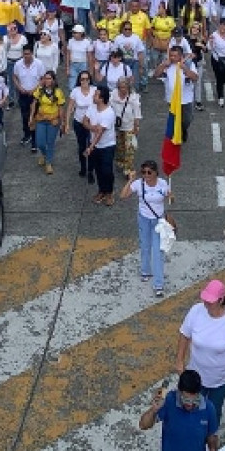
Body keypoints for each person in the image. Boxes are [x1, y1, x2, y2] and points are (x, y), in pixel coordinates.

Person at [176, 279, 225, 427]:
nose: (206, 303)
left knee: (214, 411)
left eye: (210, 300)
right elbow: (184, 334)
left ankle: (211, 437)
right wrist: (179, 360)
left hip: (220, 378)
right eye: (205, 299)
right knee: (192, 408)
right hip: (196, 376)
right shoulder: (196, 311)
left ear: (221, 300)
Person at [138, 369, 219, 451]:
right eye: (186, 400)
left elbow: (211, 435)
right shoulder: (169, 401)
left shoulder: (209, 408)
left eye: (194, 400)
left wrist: (213, 449)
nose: (190, 405)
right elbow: (143, 425)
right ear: (179, 391)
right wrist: (154, 410)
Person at [120, 160, 171, 297]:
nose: (146, 175)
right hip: (143, 219)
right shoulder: (138, 184)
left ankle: (158, 284)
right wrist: (130, 181)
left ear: (156, 173)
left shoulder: (163, 184)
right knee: (145, 246)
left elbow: (169, 198)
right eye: (143, 172)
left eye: (149, 172)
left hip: (158, 222)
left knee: (158, 252)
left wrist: (171, 197)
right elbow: (123, 196)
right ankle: (145, 271)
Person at [153, 45, 198, 143]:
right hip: (171, 99)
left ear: (181, 56)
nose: (172, 58)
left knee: (187, 120)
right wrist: (163, 65)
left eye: (175, 56)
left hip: (186, 99)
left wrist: (185, 69)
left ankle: (183, 129)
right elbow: (156, 75)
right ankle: (177, 135)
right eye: (171, 55)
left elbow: (195, 78)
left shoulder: (189, 64)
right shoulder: (166, 65)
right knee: (175, 119)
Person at [84, 85, 116, 205]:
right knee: (98, 170)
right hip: (95, 145)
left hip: (107, 145)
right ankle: (101, 190)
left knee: (107, 170)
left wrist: (90, 147)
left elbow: (100, 134)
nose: (93, 95)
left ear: (102, 98)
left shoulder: (108, 113)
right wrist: (93, 127)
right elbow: (84, 121)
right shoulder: (92, 107)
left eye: (96, 94)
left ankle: (109, 192)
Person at [29, 70, 66, 174]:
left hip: (53, 120)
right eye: (45, 78)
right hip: (41, 119)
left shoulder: (58, 92)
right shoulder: (40, 90)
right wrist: (31, 117)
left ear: (53, 80)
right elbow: (34, 104)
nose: (47, 80)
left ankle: (48, 163)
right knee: (40, 142)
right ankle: (44, 154)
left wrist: (62, 121)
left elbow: (61, 108)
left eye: (49, 78)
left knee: (50, 142)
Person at [66, 69, 97, 180]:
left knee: (91, 145)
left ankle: (90, 171)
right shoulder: (75, 91)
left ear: (89, 80)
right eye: (82, 79)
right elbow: (70, 107)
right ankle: (83, 167)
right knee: (81, 146)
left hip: (91, 123)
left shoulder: (95, 90)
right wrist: (67, 123)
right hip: (78, 122)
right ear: (79, 80)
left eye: (86, 79)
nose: (84, 81)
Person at [12, 45, 45, 151]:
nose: (26, 56)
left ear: (32, 54)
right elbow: (15, 77)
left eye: (28, 54)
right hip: (23, 94)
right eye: (24, 54)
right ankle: (27, 134)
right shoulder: (18, 64)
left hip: (35, 95)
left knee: (34, 116)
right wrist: (19, 87)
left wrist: (35, 89)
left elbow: (42, 79)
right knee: (24, 116)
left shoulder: (39, 64)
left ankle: (35, 140)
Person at [110, 76, 142, 178]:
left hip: (129, 126)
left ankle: (128, 169)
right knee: (119, 147)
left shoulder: (133, 97)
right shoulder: (113, 95)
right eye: (121, 87)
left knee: (129, 148)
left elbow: (137, 113)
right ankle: (120, 162)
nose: (123, 89)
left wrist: (136, 126)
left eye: (125, 87)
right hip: (117, 126)